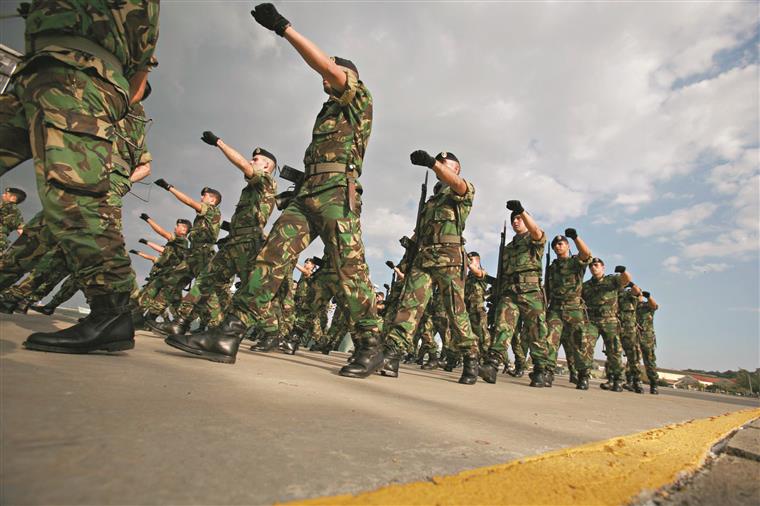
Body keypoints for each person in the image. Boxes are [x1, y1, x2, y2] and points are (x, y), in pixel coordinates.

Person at [166, 3, 384, 377]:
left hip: (337, 195)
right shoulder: (326, 111)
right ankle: (228, 334)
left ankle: (369, 344)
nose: (324, 75)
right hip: (308, 195)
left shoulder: (359, 99)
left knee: (350, 270)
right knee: (271, 256)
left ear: (350, 75)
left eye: (333, 69)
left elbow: (326, 67)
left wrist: (284, 28)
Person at [0, 0, 159, 353]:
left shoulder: (133, 118)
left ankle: (112, 310)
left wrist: (122, 181)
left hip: (77, 76)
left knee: (73, 203)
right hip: (38, 69)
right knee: (61, 215)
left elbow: (145, 162)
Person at [156, 138, 277, 337]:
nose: (251, 161)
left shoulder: (267, 181)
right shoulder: (252, 187)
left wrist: (219, 143)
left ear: (266, 165)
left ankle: (274, 333)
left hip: (249, 244)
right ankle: (181, 321)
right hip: (233, 243)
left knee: (253, 290)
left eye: (255, 159)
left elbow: (244, 166)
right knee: (205, 279)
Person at [381, 151, 479, 385]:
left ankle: (471, 357)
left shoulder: (462, 189)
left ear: (457, 169)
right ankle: (392, 355)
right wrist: (408, 251)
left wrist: (433, 164)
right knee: (409, 305)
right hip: (424, 258)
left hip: (449, 259)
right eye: (439, 162)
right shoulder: (431, 202)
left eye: (446, 164)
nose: (440, 166)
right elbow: (420, 232)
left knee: (455, 311)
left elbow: (457, 185)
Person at [479, 201, 551, 386]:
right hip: (510, 292)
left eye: (519, 218)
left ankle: (541, 370)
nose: (516, 222)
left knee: (535, 332)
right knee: (503, 327)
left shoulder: (534, 239)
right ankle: (492, 365)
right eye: (514, 219)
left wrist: (521, 210)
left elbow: (537, 232)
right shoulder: (509, 247)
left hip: (531, 294)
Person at [543, 229, 592, 388]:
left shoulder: (575, 262)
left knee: (578, 342)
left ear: (568, 246)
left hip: (573, 308)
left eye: (561, 243)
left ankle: (583, 373)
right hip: (555, 308)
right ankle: (548, 372)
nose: (557, 246)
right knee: (550, 339)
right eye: (555, 245)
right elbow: (548, 289)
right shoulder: (552, 267)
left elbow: (586, 254)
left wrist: (576, 237)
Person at [580, 258, 632, 391]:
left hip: (610, 320)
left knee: (614, 350)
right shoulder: (586, 286)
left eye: (596, 265)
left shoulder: (612, 280)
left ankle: (617, 379)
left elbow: (625, 280)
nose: (593, 267)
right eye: (591, 266)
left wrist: (623, 271)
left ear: (603, 267)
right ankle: (584, 376)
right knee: (586, 346)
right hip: (592, 320)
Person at [618, 282, 644, 393]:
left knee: (633, 356)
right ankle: (614, 379)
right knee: (613, 353)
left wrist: (631, 284)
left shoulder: (630, 294)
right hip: (615, 326)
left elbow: (637, 292)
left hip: (629, 329)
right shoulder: (614, 292)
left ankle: (636, 381)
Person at [464, 251, 491, 356]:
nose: (468, 262)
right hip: (468, 310)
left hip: (478, 310)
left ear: (477, 260)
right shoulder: (467, 277)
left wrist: (469, 265)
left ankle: (489, 359)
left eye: (471, 260)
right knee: (470, 337)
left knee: (484, 337)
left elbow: (478, 274)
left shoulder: (481, 272)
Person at [637, 290, 660, 394]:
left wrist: (649, 297)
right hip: (634, 336)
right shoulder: (631, 306)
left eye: (639, 295)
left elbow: (654, 306)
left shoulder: (647, 306)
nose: (638, 297)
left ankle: (654, 384)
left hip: (647, 337)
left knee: (649, 361)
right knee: (633, 360)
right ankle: (634, 382)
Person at [0, 187, 25, 252]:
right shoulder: (17, 213)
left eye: (6, 194)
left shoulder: (6, 206)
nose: (3, 195)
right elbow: (21, 229)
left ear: (13, 198)